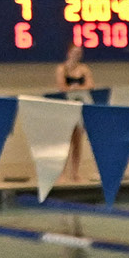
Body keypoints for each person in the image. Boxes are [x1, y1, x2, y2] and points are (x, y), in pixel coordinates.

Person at [54, 43, 93, 182]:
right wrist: (75, 88)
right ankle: (61, 173)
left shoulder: (84, 69)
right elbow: (61, 87)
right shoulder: (62, 69)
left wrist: (76, 87)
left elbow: (90, 85)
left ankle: (75, 172)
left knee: (77, 141)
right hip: (66, 107)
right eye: (74, 52)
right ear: (68, 53)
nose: (77, 55)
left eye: (79, 53)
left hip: (80, 107)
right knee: (65, 140)